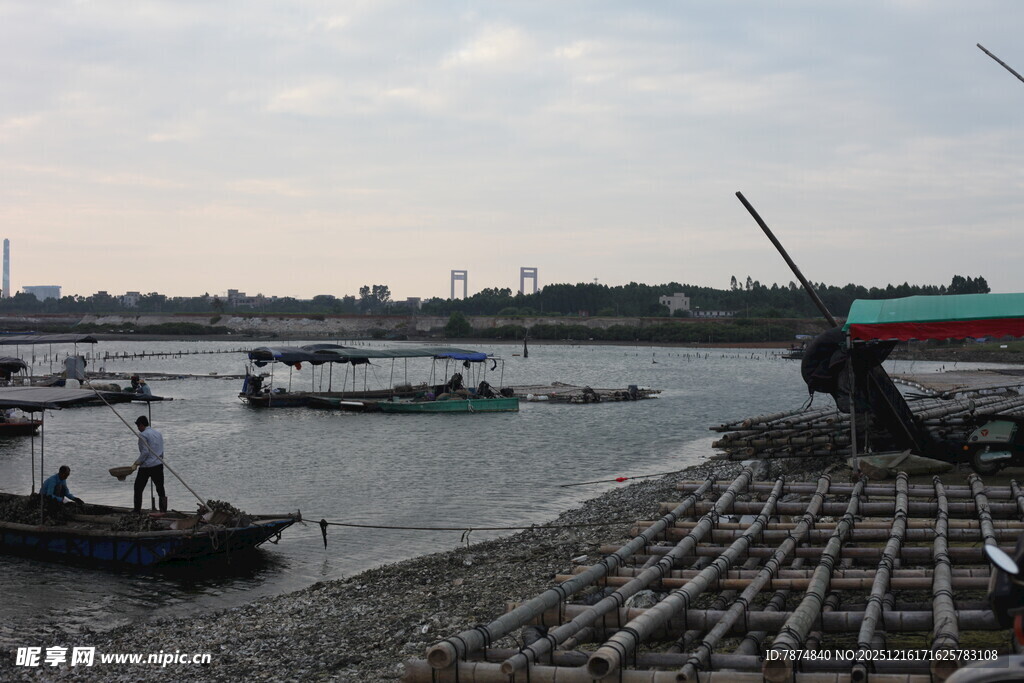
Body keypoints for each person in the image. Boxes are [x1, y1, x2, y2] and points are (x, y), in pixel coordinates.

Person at [131, 416, 167, 513]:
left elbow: (145, 452)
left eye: (138, 426)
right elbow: (161, 450)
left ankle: (137, 510)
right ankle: (163, 511)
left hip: (147, 466)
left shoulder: (143, 435)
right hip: (158, 464)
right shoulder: (158, 433)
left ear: (142, 425)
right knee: (160, 488)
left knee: (138, 488)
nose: (138, 428)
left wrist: (136, 463)